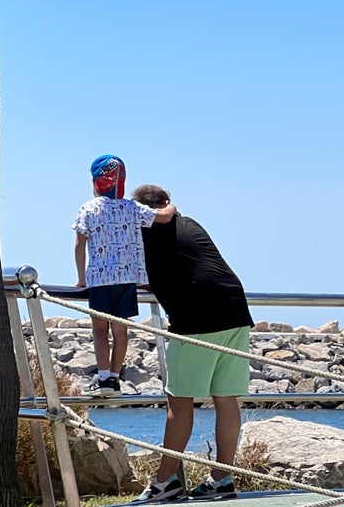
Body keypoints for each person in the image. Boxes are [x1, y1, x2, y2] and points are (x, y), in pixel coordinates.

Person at [129, 184, 254, 502]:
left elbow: (137, 272)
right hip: (235, 309)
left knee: (179, 401)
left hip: (198, 319)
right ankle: (222, 480)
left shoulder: (148, 233)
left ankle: (164, 481)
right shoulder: (190, 224)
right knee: (226, 398)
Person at [73, 155, 175, 398]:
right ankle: (116, 379)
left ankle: (104, 378)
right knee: (120, 331)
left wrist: (81, 278)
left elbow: (79, 244)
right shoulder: (131, 207)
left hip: (99, 279)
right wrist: (171, 206)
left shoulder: (88, 208)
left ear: (97, 181)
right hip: (127, 279)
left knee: (99, 330)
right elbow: (163, 217)